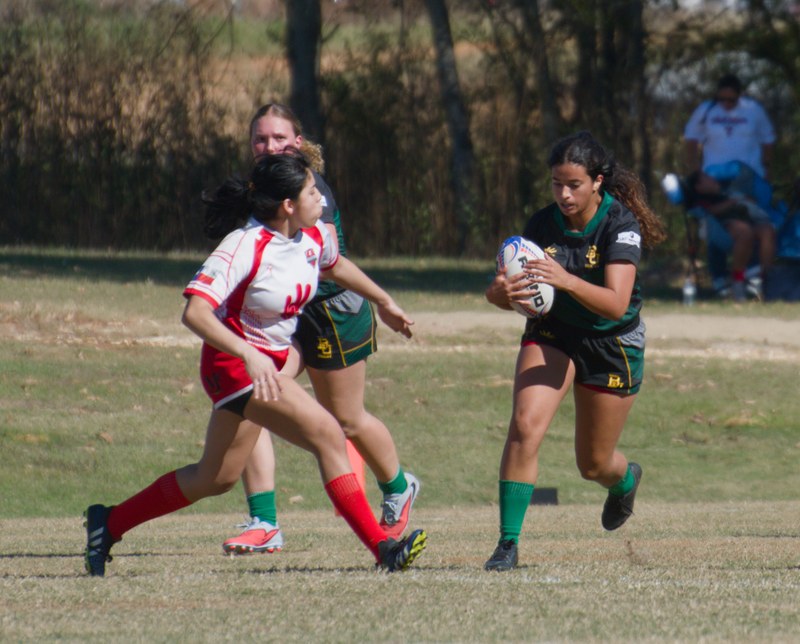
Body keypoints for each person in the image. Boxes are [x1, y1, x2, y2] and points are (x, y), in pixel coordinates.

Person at [83, 151, 427, 576]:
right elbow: (194, 313)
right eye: (310, 191)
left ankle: (108, 523)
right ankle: (383, 548)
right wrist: (248, 353)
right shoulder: (245, 245)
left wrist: (384, 301)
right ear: (287, 205)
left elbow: (334, 265)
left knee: (216, 477)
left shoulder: (312, 236)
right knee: (327, 434)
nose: (320, 196)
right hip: (233, 365)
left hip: (261, 364)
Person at [220, 104, 420, 556]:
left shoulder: (309, 187)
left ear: (298, 140)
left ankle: (398, 485)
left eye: (279, 138)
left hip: (330, 311)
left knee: (346, 420)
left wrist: (384, 300)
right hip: (282, 316)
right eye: (260, 139)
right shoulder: (262, 188)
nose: (269, 146)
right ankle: (265, 521)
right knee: (253, 399)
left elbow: (328, 265)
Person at [483, 131, 666, 572]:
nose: (563, 194)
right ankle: (508, 544)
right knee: (525, 425)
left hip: (611, 342)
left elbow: (616, 303)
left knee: (593, 463)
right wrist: (501, 293)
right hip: (553, 331)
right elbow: (510, 296)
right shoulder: (540, 225)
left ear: (597, 181)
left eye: (574, 185)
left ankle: (623, 481)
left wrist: (564, 279)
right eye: (556, 184)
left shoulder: (619, 225)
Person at [683, 169, 776, 301]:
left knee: (767, 230)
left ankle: (766, 278)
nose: (711, 178)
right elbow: (711, 211)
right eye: (706, 178)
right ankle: (737, 281)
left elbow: (749, 201)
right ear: (699, 186)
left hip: (745, 220)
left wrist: (742, 200)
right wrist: (733, 202)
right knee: (745, 231)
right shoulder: (701, 198)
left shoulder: (726, 191)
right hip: (721, 229)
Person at [684, 73, 776, 180]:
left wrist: (767, 167)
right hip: (714, 176)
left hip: (749, 175)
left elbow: (768, 139)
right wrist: (695, 168)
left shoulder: (753, 109)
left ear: (739, 95)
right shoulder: (705, 110)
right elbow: (691, 138)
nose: (726, 103)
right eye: (722, 99)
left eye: (731, 100)